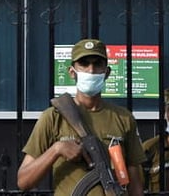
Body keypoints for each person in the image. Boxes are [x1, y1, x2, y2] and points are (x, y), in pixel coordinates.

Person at [17, 38, 146, 195]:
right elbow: (23, 181)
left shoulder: (123, 118)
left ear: (107, 72)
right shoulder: (53, 118)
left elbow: (136, 184)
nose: (91, 70)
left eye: (97, 64)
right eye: (84, 64)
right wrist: (56, 149)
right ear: (72, 72)